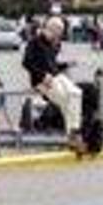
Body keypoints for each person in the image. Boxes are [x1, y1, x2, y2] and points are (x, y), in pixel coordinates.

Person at [22, 16, 84, 152]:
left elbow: (52, 64)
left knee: (76, 93)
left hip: (56, 76)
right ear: (51, 29)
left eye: (60, 33)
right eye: (58, 32)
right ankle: (72, 135)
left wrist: (66, 64)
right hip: (42, 80)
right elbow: (27, 63)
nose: (59, 36)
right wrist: (42, 75)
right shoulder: (35, 42)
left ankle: (73, 132)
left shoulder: (54, 44)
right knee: (64, 100)